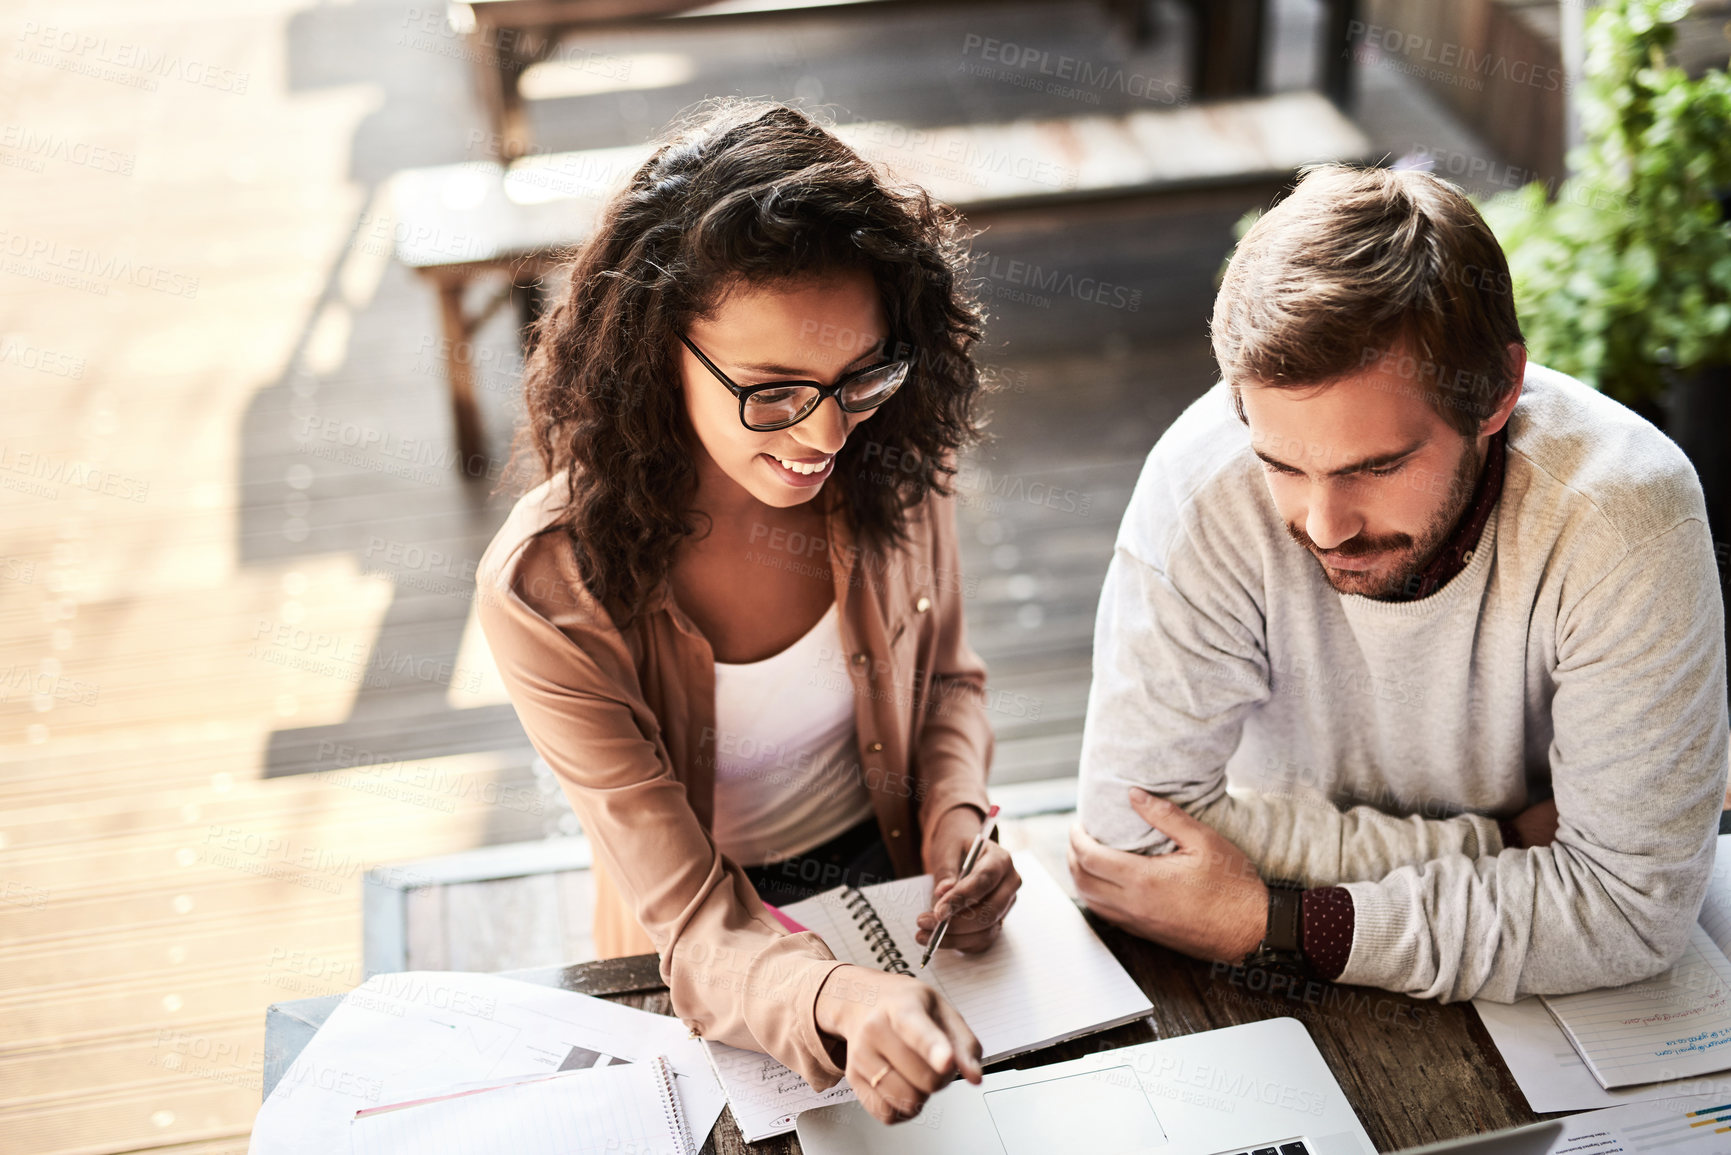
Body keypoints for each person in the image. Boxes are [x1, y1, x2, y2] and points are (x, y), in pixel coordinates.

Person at [476, 100, 1021, 1125]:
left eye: (857, 374)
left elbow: (946, 677)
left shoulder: (894, 454)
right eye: (770, 389)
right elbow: (686, 918)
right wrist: (837, 998)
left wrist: (958, 815)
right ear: (654, 351)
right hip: (702, 947)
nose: (825, 432)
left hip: (901, 877)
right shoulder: (548, 591)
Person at [1070, 164, 1729, 1002]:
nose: (1322, 524)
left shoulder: (1624, 514)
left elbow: (1631, 910)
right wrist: (1503, 844)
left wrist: (1274, 920)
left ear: (1495, 392)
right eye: (1281, 464)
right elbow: (1131, 841)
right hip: (1362, 994)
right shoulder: (1202, 482)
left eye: (1375, 466)